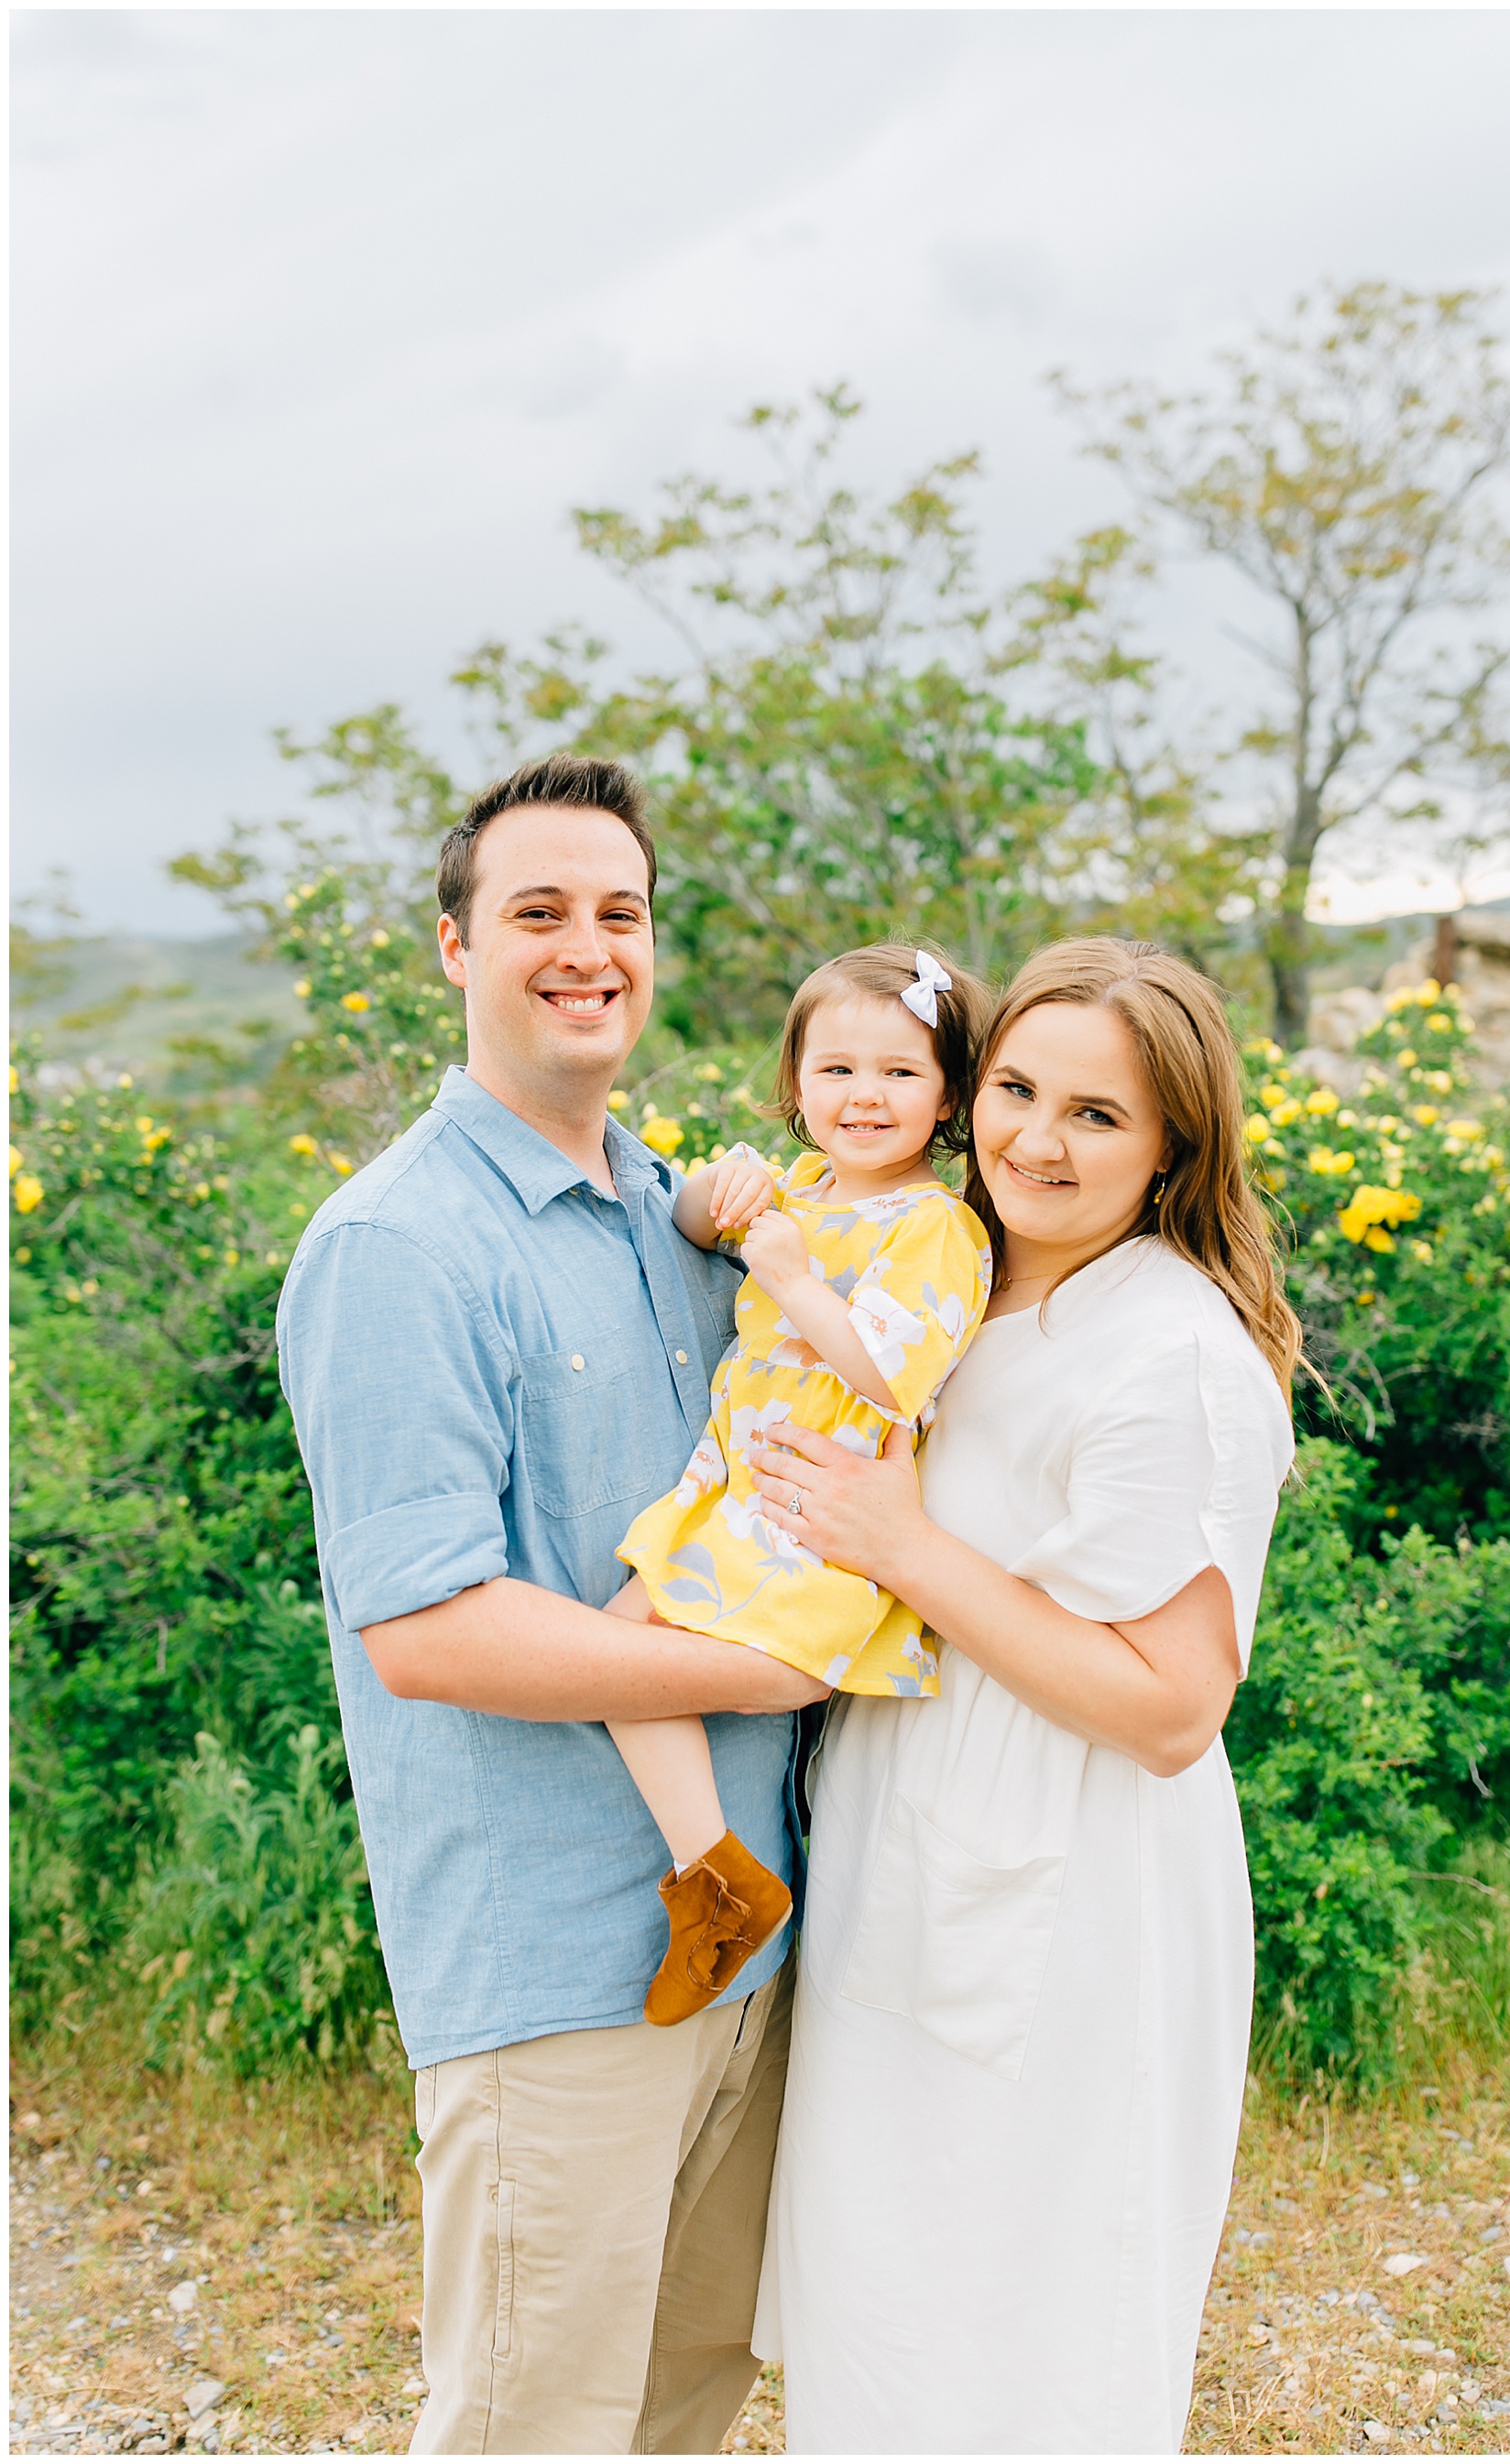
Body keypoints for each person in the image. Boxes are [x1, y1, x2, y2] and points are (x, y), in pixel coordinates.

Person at [276, 753, 827, 2458]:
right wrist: (754, 1667)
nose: (587, 947)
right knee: (532, 2430)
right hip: (558, 1967)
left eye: (621, 913)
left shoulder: (685, 1221)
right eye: (537, 912)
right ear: (453, 946)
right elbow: (429, 1627)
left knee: (682, 2405)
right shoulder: (398, 1248)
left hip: (764, 1938)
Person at [746, 936, 1300, 2455]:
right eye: (1017, 1089)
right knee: (884, 2325)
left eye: (1099, 1116)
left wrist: (907, 1551)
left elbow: (1174, 1707)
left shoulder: (1169, 1349)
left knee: (1021, 2342)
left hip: (1067, 1900)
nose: (1037, 1142)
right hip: (910, 1855)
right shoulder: (953, 1283)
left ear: (1176, 1142)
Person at [606, 944, 993, 2026]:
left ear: (949, 1094)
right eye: (836, 1071)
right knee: (615, 1643)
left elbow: (892, 1371)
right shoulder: (805, 1191)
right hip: (731, 1493)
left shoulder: (935, 1226)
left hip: (807, 1515)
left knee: (632, 1661)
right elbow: (700, 1231)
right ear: (797, 1084)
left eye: (899, 1074)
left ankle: (721, 1886)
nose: (863, 1096)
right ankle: (718, 1878)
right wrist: (711, 1198)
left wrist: (788, 1275)